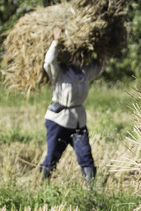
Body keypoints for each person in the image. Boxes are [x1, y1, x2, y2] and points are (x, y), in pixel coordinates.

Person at [40, 27, 104, 185]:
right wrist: (55, 42)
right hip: (58, 121)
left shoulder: (83, 73)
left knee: (86, 156)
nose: (79, 58)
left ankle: (92, 191)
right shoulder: (59, 72)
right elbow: (48, 62)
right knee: (53, 156)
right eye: (76, 55)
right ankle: (43, 186)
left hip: (78, 122)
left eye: (82, 55)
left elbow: (100, 66)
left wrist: (103, 49)